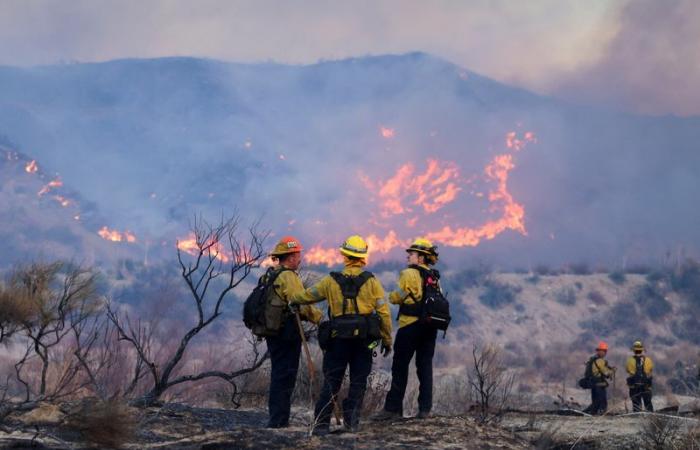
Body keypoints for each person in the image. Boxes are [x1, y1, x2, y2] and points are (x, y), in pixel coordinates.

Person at [291, 235, 392, 435]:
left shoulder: (330, 281)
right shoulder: (372, 282)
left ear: (345, 255)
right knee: (358, 382)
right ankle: (352, 423)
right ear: (362, 257)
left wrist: (294, 300)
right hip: (364, 342)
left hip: (337, 340)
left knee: (331, 380)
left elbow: (309, 295)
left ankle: (320, 425)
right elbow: (384, 313)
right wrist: (387, 339)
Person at [375, 238, 441, 420]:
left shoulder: (409, 274)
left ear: (421, 258)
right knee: (425, 367)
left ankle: (392, 410)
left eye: (411, 254)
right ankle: (425, 410)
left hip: (409, 326)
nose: (408, 256)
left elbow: (398, 297)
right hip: (430, 328)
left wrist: (390, 295)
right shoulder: (434, 276)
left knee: (400, 367)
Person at [265, 236, 322, 428]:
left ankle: (277, 418)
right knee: (285, 375)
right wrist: (321, 319)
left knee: (278, 373)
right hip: (286, 333)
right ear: (290, 257)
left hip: (273, 332)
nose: (300, 259)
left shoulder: (270, 274)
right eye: (298, 255)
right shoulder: (288, 276)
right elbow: (301, 302)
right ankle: (279, 421)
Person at [583, 341, 615, 415]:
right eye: (604, 351)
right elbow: (606, 373)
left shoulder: (592, 359)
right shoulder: (600, 361)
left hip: (593, 384)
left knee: (595, 402)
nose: (605, 353)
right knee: (602, 402)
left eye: (605, 351)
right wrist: (612, 371)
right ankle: (601, 415)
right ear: (601, 351)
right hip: (599, 384)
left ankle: (592, 414)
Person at [626, 340, 654, 412]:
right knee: (648, 403)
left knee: (636, 404)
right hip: (646, 386)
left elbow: (628, 370)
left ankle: (637, 417)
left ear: (634, 351)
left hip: (634, 386)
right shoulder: (648, 360)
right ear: (642, 350)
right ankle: (651, 417)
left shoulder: (629, 361)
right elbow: (650, 370)